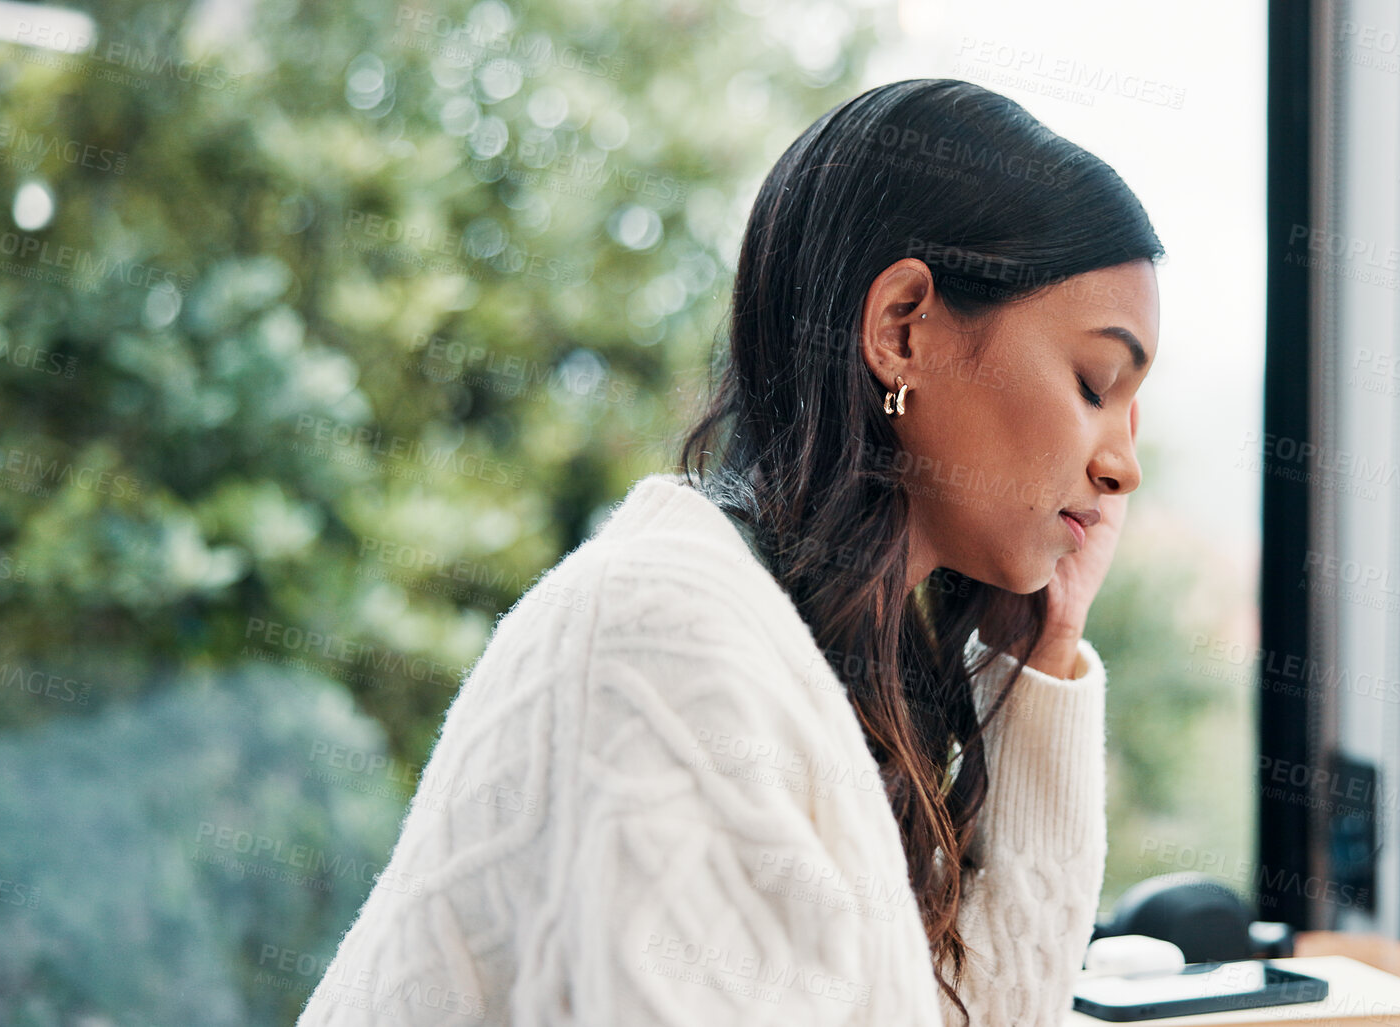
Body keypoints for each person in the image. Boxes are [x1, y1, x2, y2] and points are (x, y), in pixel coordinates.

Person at [297, 76, 1162, 1027]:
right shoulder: (661, 642)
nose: (1121, 463)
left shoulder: (804, 656)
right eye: (1094, 382)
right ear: (902, 327)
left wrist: (1045, 647)